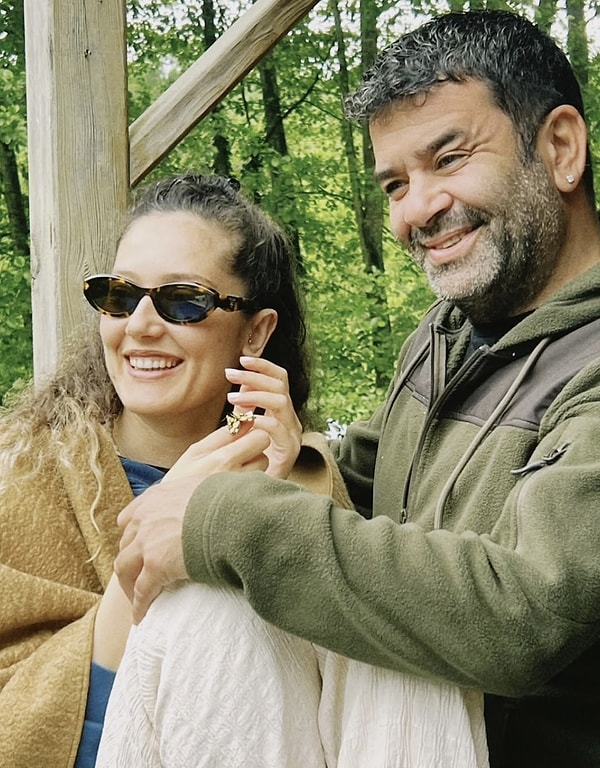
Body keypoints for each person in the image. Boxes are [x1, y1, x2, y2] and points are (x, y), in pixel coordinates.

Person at [113, 10, 600, 768]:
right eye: (396, 183)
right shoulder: (444, 334)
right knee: (211, 602)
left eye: (450, 158)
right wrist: (283, 456)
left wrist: (227, 519)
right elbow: (366, 480)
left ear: (561, 148)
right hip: (394, 730)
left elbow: (529, 613)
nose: (417, 209)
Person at [0, 172, 329, 767]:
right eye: (120, 296)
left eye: (184, 300)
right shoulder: (20, 480)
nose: (142, 325)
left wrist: (263, 510)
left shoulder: (315, 479)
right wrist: (176, 510)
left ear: (255, 331)